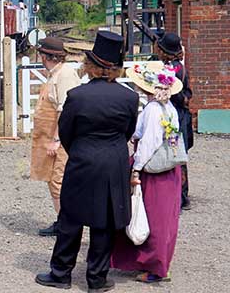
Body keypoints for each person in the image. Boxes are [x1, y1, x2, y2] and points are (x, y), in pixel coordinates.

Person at [35, 31, 139, 293]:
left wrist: (81, 149)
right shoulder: (129, 98)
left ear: (90, 65)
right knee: (104, 221)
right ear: (116, 68)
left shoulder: (78, 96)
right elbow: (129, 130)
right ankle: (96, 278)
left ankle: (61, 273)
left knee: (71, 218)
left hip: (82, 158)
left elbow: (67, 132)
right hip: (114, 161)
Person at [111, 62, 184, 283]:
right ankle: (158, 262)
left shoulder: (152, 109)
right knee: (165, 218)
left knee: (152, 216)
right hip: (170, 167)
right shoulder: (169, 107)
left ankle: (155, 267)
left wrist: (136, 169)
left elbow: (148, 142)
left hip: (153, 169)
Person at [30, 37, 81, 236]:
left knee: (59, 180)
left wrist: (57, 139)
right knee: (54, 180)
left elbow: (65, 109)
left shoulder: (65, 75)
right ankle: (63, 221)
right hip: (53, 138)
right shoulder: (57, 73)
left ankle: (67, 226)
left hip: (61, 140)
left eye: (41, 54)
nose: (40, 58)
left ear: (47, 56)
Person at [155, 32, 193, 210]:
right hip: (181, 114)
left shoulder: (171, 70)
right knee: (179, 152)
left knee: (175, 152)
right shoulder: (181, 67)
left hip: (175, 115)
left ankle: (180, 196)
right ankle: (182, 193)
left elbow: (177, 96)